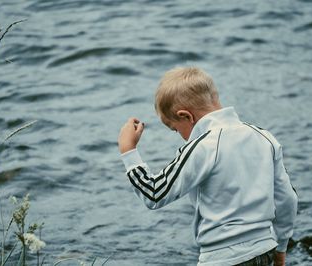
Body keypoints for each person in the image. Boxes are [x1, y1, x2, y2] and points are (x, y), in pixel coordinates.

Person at [118, 67, 298, 266]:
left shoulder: (203, 146)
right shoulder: (264, 137)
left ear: (187, 116)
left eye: (175, 129)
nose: (180, 135)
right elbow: (288, 199)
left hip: (223, 259)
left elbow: (154, 193)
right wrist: (281, 247)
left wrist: (129, 151)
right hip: (265, 251)